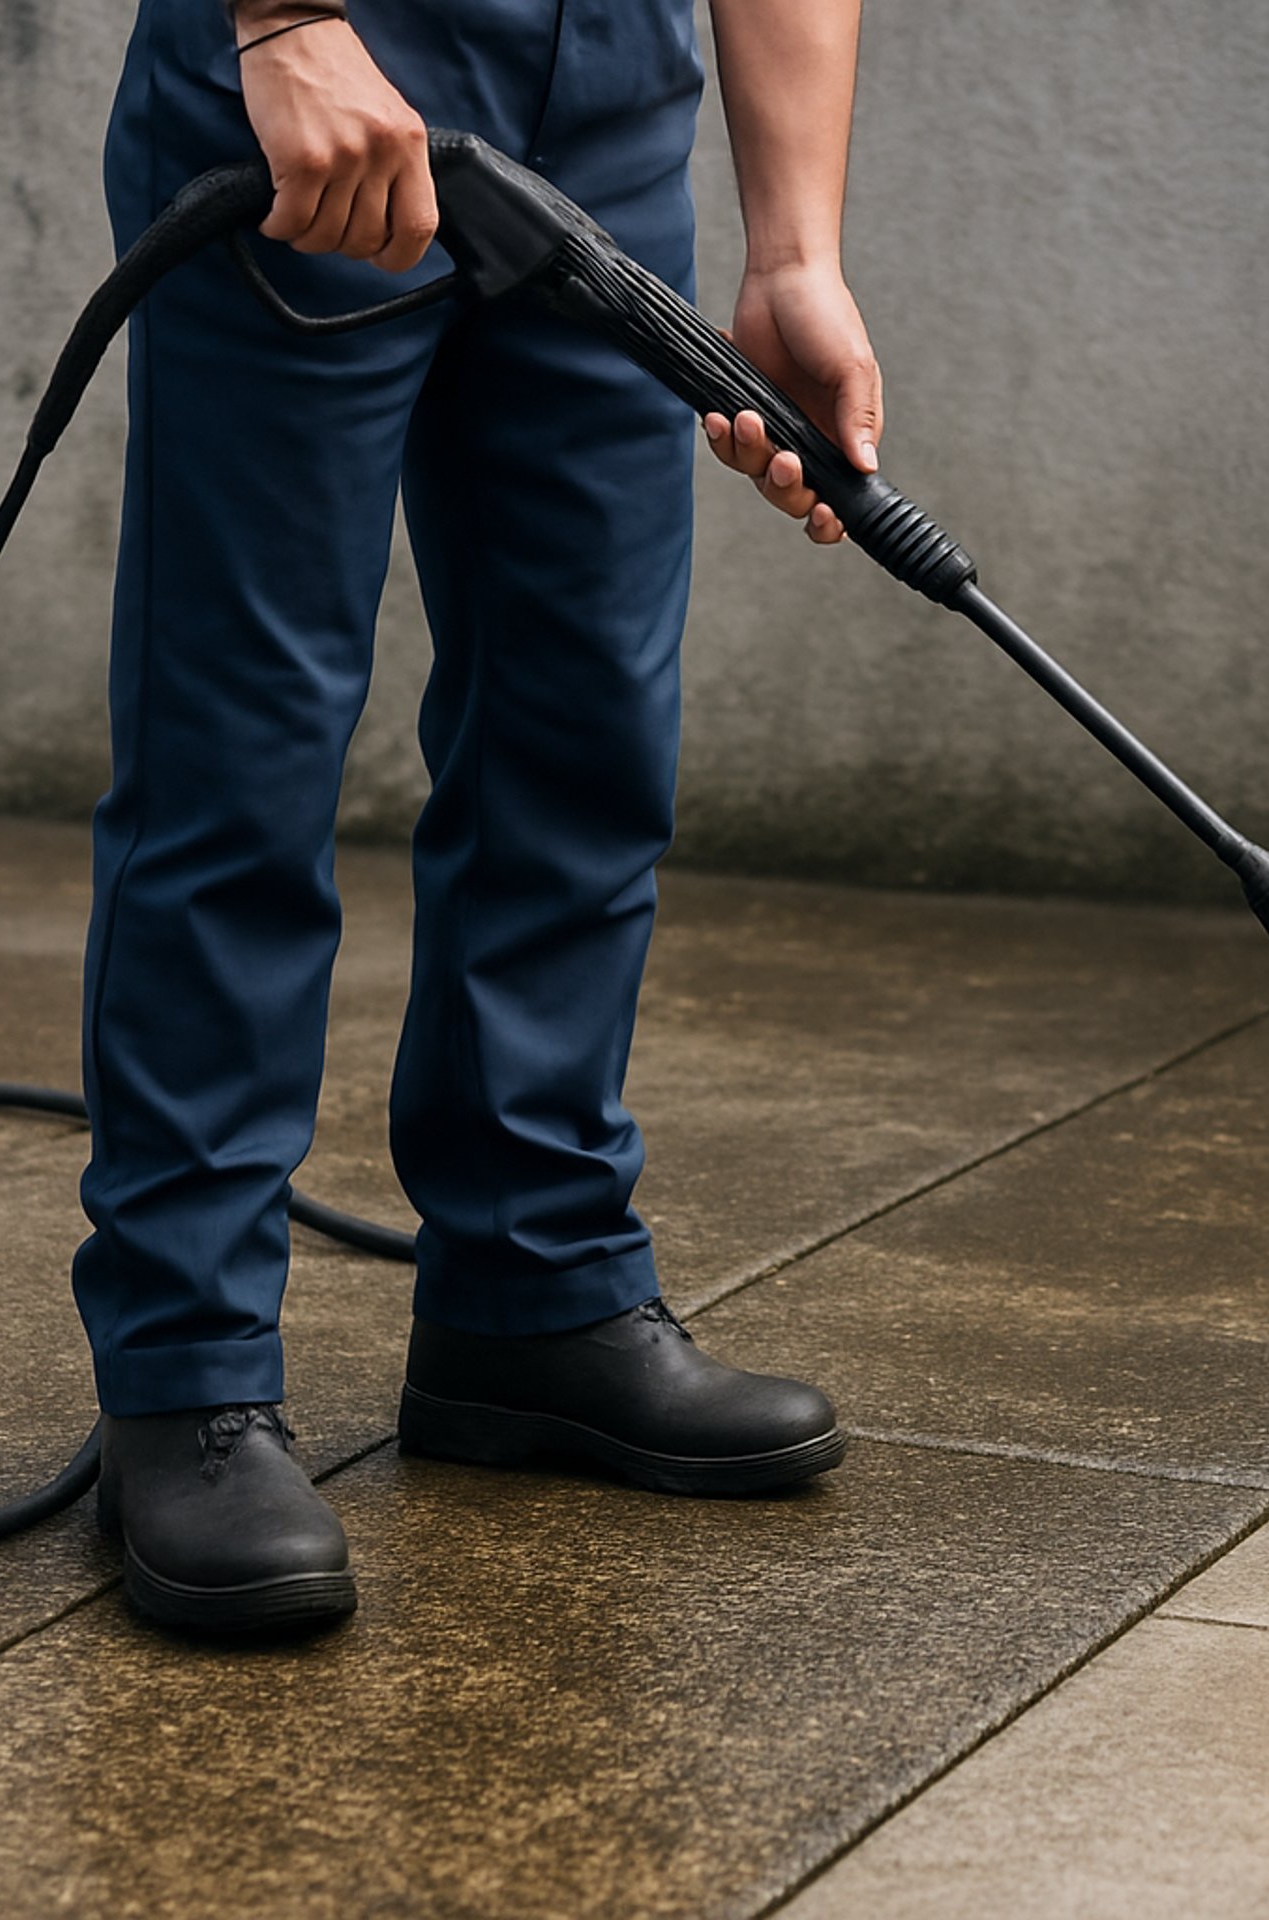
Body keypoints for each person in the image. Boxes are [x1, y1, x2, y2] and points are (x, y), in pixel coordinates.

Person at [79, 0, 879, 1635]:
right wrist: (285, 22)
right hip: (324, 76)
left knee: (581, 720)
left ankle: (535, 1285)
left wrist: (794, 242)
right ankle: (187, 1373)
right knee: (244, 745)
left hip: (607, 94)